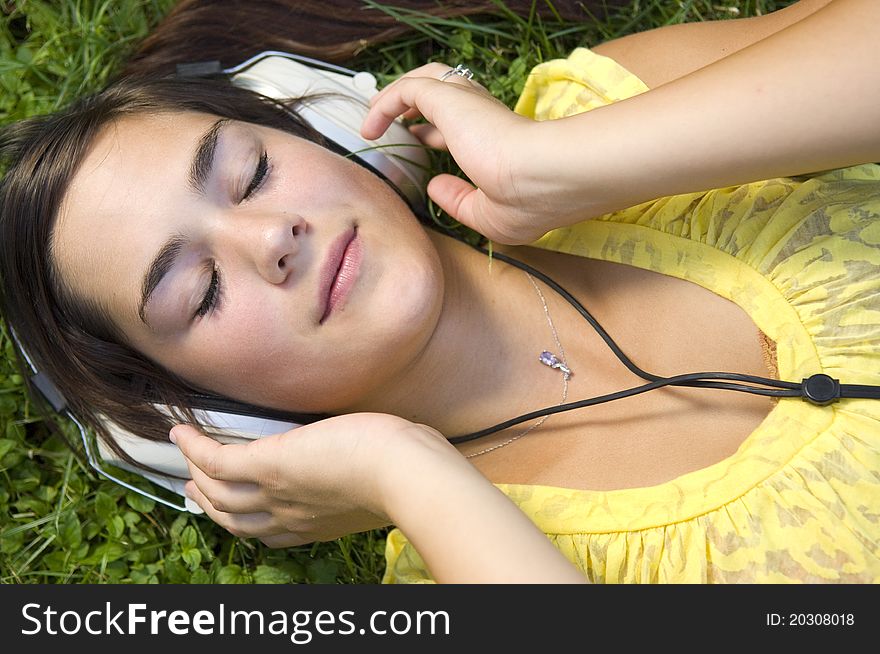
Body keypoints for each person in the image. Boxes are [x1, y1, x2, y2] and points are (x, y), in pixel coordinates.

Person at [1, 0, 878, 583]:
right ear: (203, 415)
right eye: (198, 291)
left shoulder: (600, 114)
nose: (271, 239)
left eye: (252, 171)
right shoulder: (463, 562)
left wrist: (562, 162)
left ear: (336, 134)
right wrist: (404, 473)